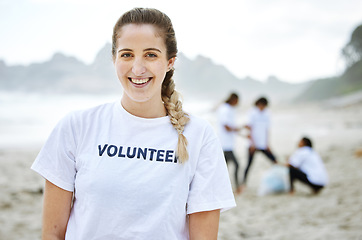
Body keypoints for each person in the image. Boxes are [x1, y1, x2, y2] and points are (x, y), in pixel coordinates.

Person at [31, 8, 236, 239]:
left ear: (170, 62)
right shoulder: (76, 127)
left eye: (150, 55)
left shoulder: (199, 136)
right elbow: (53, 234)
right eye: (127, 54)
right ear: (114, 59)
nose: (138, 69)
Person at [242, 97, 277, 186]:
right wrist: (252, 143)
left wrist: (267, 143)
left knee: (274, 160)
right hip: (253, 144)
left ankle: (279, 178)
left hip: (263, 144)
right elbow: (249, 128)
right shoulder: (252, 112)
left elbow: (267, 129)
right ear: (258, 104)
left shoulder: (267, 113)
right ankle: (243, 183)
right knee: (249, 165)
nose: (262, 107)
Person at [217, 93, 242, 193]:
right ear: (234, 100)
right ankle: (237, 187)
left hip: (227, 144)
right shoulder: (225, 109)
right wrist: (239, 129)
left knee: (224, 168)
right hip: (225, 144)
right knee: (236, 165)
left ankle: (221, 188)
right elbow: (226, 127)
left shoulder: (228, 109)